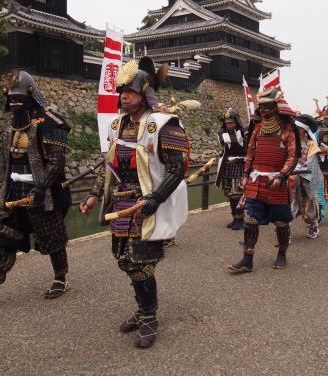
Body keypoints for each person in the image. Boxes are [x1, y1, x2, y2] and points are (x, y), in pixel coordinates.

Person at [80, 57, 189, 348]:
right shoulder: (117, 125)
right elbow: (109, 166)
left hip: (146, 206)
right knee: (125, 262)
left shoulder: (164, 125)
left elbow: (178, 170)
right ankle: (142, 309)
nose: (123, 97)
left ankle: (149, 317)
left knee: (141, 265)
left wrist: (154, 199)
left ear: (144, 93)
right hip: (120, 205)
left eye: (129, 92)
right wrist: (93, 195)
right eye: (121, 92)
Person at [0, 70, 71, 297]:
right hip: (13, 191)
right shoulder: (9, 127)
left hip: (43, 191)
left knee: (52, 237)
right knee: (5, 237)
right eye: (11, 98)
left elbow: (56, 162)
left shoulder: (49, 122)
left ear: (31, 96)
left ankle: (60, 277)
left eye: (19, 98)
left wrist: (41, 187)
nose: (14, 102)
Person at [227, 86, 299, 272]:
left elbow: (292, 156)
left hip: (276, 182)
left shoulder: (287, 130)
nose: (264, 110)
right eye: (262, 107)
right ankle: (247, 259)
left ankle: (282, 254)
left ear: (276, 106)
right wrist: (245, 175)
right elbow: (250, 153)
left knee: (281, 222)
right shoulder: (257, 129)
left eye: (268, 106)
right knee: (250, 220)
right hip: (257, 180)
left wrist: (282, 175)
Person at [291, 114, 322, 239]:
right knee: (290, 204)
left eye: (296, 129)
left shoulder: (311, 145)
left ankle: (313, 225)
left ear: (303, 129)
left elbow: (311, 162)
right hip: (291, 179)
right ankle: (285, 229)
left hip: (306, 179)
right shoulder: (290, 143)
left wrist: (298, 170)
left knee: (310, 203)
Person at [215, 108, 247, 230]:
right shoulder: (222, 133)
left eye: (231, 123)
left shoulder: (244, 132)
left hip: (240, 164)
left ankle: (240, 218)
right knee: (229, 192)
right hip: (227, 165)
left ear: (236, 122)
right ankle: (235, 217)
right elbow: (223, 146)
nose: (229, 125)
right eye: (227, 123)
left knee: (237, 193)